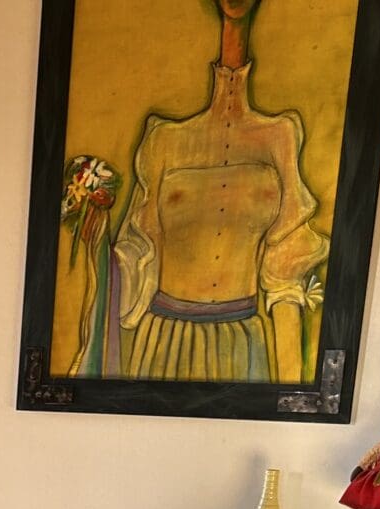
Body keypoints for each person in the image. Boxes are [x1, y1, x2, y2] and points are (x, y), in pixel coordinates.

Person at [109, 0, 325, 383]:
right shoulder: (164, 141)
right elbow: (133, 258)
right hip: (164, 339)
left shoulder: (280, 136)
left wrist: (294, 392)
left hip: (243, 341)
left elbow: (285, 276)